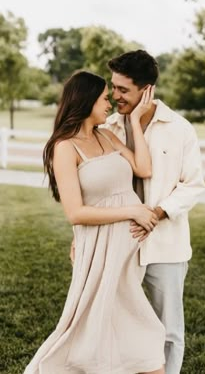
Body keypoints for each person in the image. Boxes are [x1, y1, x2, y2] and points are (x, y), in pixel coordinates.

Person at [24, 70, 166, 374]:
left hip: (127, 251)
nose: (110, 104)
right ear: (86, 100)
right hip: (99, 252)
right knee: (101, 326)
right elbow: (75, 213)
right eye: (104, 98)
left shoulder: (107, 135)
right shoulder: (65, 147)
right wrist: (133, 211)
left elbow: (143, 167)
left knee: (133, 327)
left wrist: (135, 122)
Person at [100, 50, 205, 374]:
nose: (114, 95)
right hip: (119, 242)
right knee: (115, 321)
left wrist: (157, 214)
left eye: (123, 90)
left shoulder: (180, 128)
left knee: (169, 329)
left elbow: (193, 184)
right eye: (113, 87)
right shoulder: (108, 128)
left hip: (166, 246)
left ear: (146, 90)